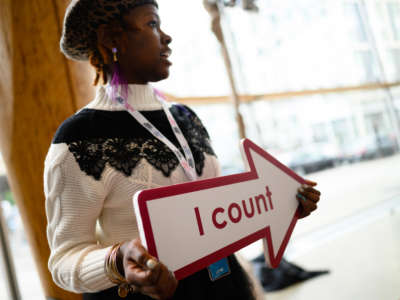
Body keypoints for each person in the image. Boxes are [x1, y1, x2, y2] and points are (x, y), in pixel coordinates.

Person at [44, 1, 321, 299]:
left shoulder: (186, 117)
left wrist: (280, 204)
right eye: (152, 24)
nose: (166, 37)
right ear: (112, 40)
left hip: (227, 286)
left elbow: (220, 212)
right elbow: (64, 260)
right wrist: (120, 259)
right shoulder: (79, 138)